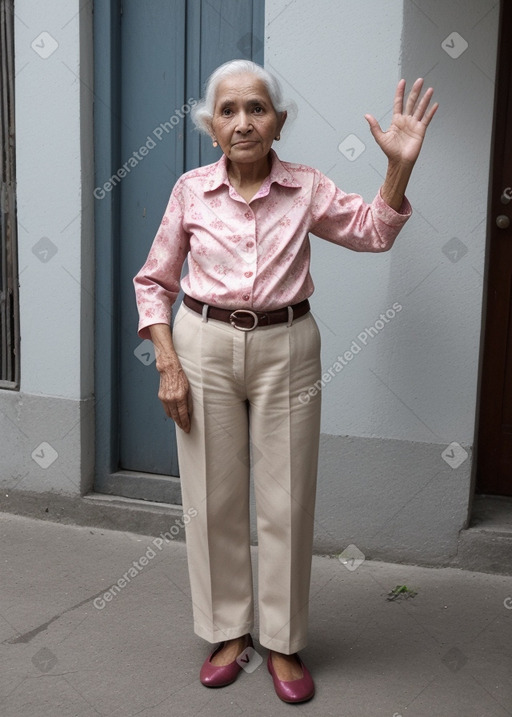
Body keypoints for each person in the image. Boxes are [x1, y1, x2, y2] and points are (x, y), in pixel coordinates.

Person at [133, 59, 437, 703]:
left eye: (256, 109)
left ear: (279, 121)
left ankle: (283, 640)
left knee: (286, 499)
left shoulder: (306, 187)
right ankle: (226, 630)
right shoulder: (190, 190)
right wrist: (167, 362)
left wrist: (399, 165)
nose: (243, 122)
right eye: (228, 111)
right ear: (211, 126)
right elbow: (154, 282)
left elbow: (373, 233)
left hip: (287, 345)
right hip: (203, 344)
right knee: (212, 496)